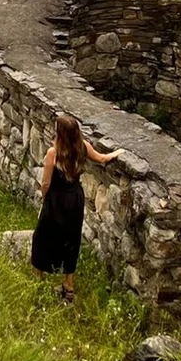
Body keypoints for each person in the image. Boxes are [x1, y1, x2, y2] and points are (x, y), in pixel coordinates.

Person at [30, 113, 122, 303]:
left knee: (41, 237)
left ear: (60, 133)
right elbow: (103, 159)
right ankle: (68, 285)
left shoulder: (53, 153)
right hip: (75, 199)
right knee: (71, 239)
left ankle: (37, 279)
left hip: (56, 199)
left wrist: (46, 201)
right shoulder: (83, 147)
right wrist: (117, 153)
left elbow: (46, 183)